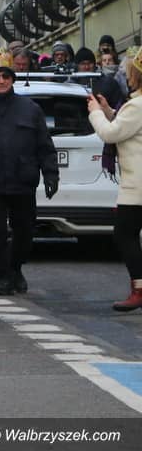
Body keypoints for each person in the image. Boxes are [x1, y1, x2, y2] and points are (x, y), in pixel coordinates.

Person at [0, 49, 58, 296]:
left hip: (23, 180)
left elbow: (44, 145)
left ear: (12, 79)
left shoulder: (30, 109)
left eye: (6, 76)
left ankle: (16, 268)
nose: (1, 81)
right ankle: (2, 277)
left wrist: (51, 174)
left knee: (24, 232)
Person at [88, 48, 142, 311]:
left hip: (137, 186)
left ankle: (139, 289)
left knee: (124, 234)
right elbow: (126, 127)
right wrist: (109, 111)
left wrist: (96, 113)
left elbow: (111, 134)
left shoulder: (137, 105)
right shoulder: (134, 107)